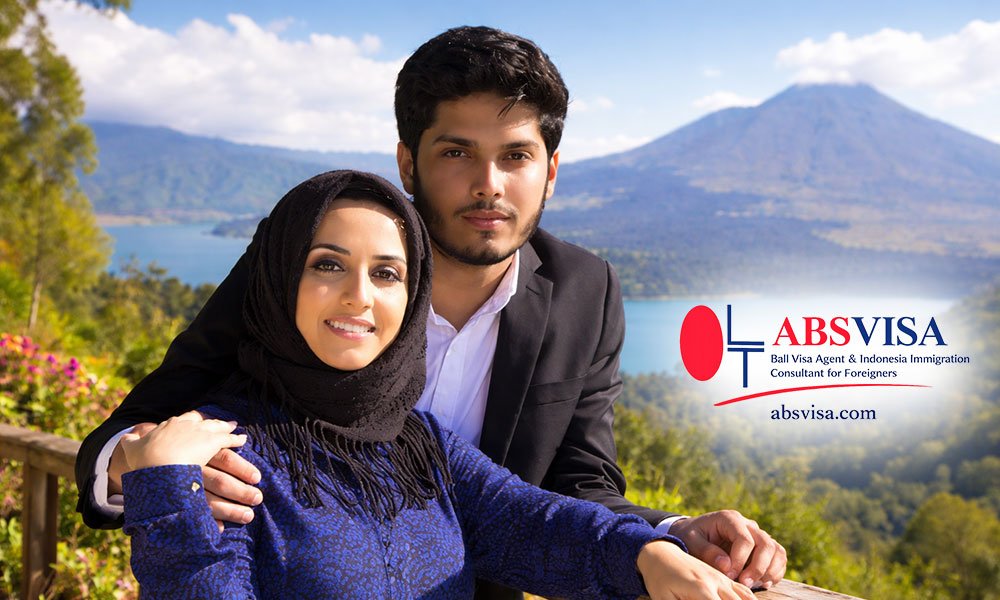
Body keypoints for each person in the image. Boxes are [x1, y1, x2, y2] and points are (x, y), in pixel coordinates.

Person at [75, 26, 785, 597]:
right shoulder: (302, 263)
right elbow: (141, 431)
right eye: (457, 153)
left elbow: (564, 496)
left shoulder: (581, 295)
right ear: (409, 164)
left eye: (516, 155)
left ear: (551, 170)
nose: (489, 185)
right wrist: (144, 468)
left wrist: (668, 539)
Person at [118, 169, 755, 600]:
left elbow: (537, 523)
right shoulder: (222, 457)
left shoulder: (418, 445)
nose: (358, 297)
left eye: (387, 274)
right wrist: (167, 486)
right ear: (279, 278)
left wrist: (651, 553)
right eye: (327, 265)